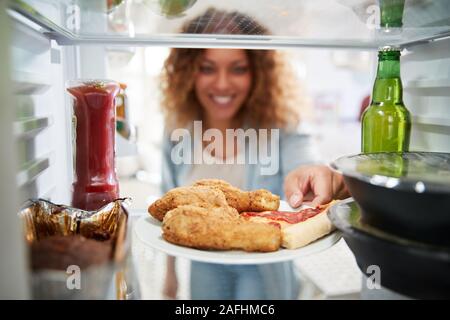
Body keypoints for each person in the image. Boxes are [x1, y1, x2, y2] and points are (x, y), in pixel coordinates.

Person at [158, 8, 349, 300]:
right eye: (207, 68)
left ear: (257, 72)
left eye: (238, 68)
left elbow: (303, 162)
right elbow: (169, 206)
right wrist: (169, 275)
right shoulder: (177, 131)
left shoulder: (281, 126)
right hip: (204, 259)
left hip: (264, 262)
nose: (222, 83)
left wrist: (312, 174)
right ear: (189, 72)